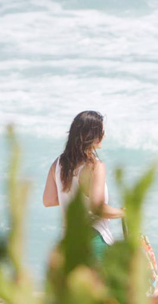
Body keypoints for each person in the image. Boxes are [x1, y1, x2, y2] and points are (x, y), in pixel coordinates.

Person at [42, 111, 124, 259]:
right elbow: (97, 207)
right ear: (91, 136)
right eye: (101, 132)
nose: (104, 136)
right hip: (93, 242)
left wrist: (74, 198)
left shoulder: (58, 164)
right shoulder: (95, 166)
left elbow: (48, 200)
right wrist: (123, 212)